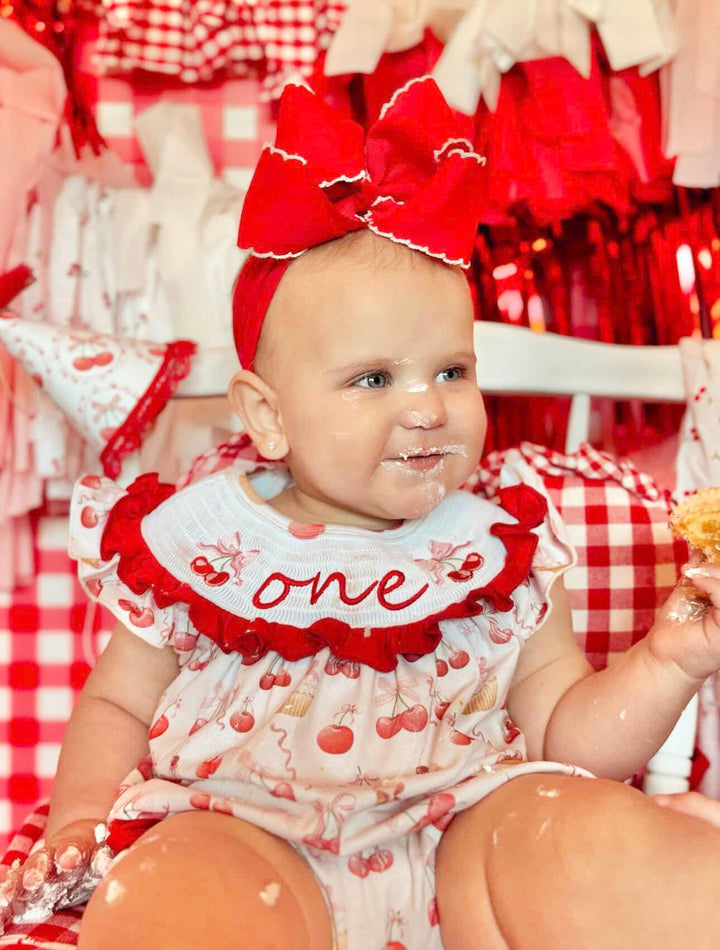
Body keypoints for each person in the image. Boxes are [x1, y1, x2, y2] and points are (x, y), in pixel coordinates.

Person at [4, 76, 720, 950]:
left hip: (468, 837)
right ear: (268, 416)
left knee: (588, 831)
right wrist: (79, 821)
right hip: (247, 831)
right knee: (173, 885)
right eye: (374, 379)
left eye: (451, 372)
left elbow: (567, 735)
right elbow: (116, 707)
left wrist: (669, 661)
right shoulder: (200, 545)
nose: (427, 408)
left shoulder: (506, 550)